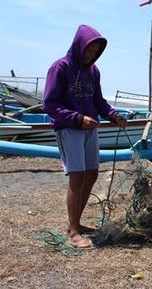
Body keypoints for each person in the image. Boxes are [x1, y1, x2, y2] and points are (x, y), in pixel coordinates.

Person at [42, 24, 127, 248]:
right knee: (77, 176)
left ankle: (75, 223)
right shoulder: (60, 67)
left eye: (95, 52)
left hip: (90, 128)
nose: (91, 55)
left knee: (91, 174)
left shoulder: (93, 71)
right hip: (69, 128)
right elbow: (49, 104)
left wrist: (113, 115)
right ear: (79, 46)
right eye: (88, 50)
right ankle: (73, 232)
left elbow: (98, 101)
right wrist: (77, 118)